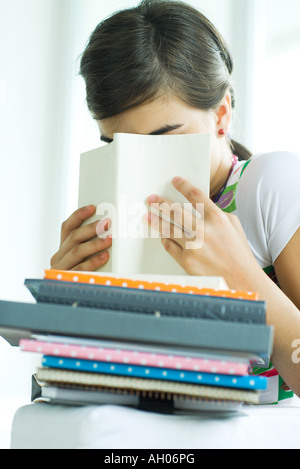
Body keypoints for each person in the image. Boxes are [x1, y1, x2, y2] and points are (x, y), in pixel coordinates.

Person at [50, 0, 300, 400]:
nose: (135, 164)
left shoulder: (269, 186)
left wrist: (242, 277)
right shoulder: (118, 211)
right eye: (114, 145)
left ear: (221, 115)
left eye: (162, 139)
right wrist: (69, 309)